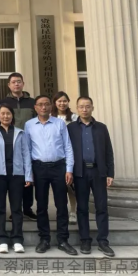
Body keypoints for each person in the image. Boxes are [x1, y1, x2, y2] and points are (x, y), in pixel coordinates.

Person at [25, 95, 77, 256]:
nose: (44, 107)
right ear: (35, 107)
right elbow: (27, 150)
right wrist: (28, 174)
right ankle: (44, 239)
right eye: (40, 104)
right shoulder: (29, 125)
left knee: (61, 205)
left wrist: (69, 169)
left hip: (59, 167)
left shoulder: (59, 123)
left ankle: (63, 240)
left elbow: (68, 146)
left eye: (47, 104)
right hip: (39, 168)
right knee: (41, 205)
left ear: (50, 106)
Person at [68, 97, 116, 257]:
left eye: (87, 106)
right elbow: (67, 150)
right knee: (82, 208)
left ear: (92, 108)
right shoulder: (71, 128)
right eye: (81, 107)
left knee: (101, 207)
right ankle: (85, 240)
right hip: (80, 172)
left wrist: (110, 173)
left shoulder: (101, 128)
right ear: (77, 108)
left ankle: (103, 241)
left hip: (98, 172)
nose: (84, 109)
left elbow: (108, 151)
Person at [0, 104, 32, 254]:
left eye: (8, 114)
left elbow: (26, 154)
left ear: (12, 116)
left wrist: (28, 175)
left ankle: (17, 239)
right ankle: (2, 239)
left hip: (16, 175)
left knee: (16, 208)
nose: (5, 116)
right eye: (3, 113)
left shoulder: (20, 133)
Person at [0, 73, 37, 221]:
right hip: (10, 142)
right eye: (13, 82)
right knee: (14, 179)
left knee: (28, 177)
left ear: (23, 83)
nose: (16, 84)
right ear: (9, 85)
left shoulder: (32, 102)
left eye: (19, 82)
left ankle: (27, 208)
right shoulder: (4, 102)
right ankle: (15, 208)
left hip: (29, 143)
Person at [51, 92, 79, 226]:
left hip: (72, 153)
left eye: (64, 101)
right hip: (57, 155)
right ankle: (61, 211)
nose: (62, 103)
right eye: (59, 101)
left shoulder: (74, 117)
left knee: (71, 185)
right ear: (55, 103)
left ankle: (73, 211)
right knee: (60, 187)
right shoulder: (50, 117)